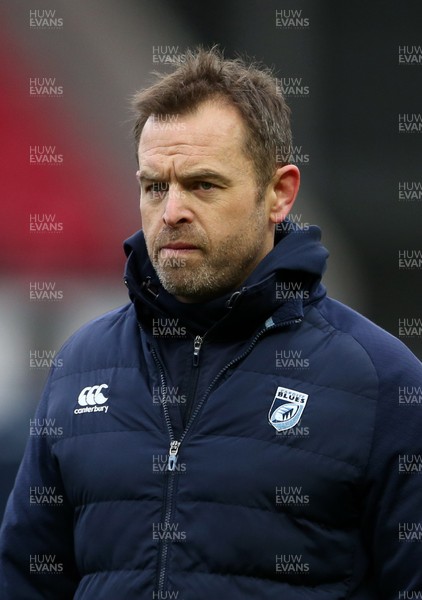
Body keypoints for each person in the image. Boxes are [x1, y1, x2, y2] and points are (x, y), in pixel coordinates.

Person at [1, 47, 421, 600]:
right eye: (155, 186)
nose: (171, 210)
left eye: (203, 185)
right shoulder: (82, 366)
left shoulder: (382, 383)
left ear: (279, 193)